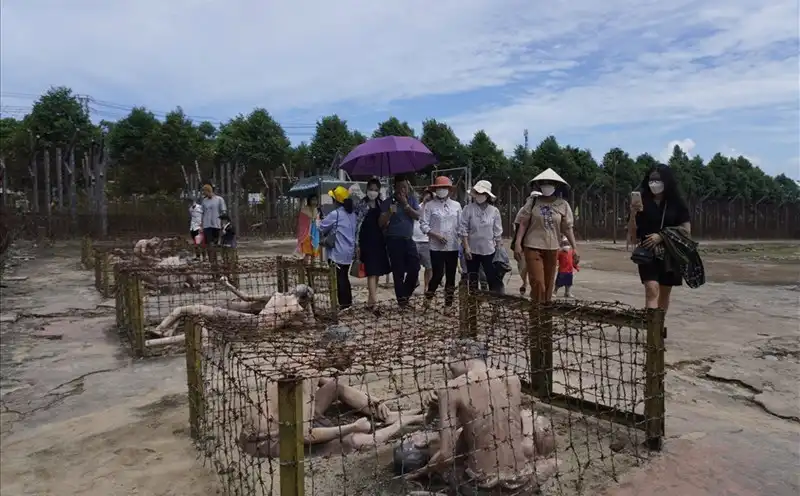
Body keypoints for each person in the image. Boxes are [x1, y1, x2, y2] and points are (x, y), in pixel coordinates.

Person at [238, 326, 425, 458]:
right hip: (269, 440)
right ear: (332, 348)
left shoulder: (309, 359)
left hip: (290, 420)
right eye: (349, 352)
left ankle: (388, 416)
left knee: (336, 386)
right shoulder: (302, 375)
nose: (353, 359)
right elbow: (303, 435)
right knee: (355, 441)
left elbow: (331, 385)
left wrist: (373, 401)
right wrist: (352, 427)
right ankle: (400, 423)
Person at [399, 339, 560, 493]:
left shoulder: (451, 389)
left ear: (462, 355)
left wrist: (423, 471)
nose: (450, 373)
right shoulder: (512, 379)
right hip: (521, 485)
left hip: (481, 489)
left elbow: (446, 455)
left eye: (450, 367)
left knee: (447, 469)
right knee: (553, 462)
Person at [629, 164, 691, 314]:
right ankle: (652, 331)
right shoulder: (643, 201)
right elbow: (632, 235)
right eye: (651, 180)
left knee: (664, 292)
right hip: (647, 253)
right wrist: (632, 213)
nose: (654, 183)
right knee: (651, 289)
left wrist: (661, 236)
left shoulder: (677, 203)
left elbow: (686, 231)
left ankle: (658, 328)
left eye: (658, 180)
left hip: (670, 254)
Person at [513, 168, 578, 304]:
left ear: (556, 186)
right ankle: (536, 316)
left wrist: (575, 248)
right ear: (539, 185)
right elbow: (523, 223)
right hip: (532, 246)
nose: (547, 185)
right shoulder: (533, 202)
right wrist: (518, 244)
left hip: (552, 247)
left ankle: (545, 317)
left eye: (550, 183)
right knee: (538, 282)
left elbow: (567, 228)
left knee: (548, 285)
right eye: (544, 182)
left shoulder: (563, 205)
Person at [379, 176, 421, 309]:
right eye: (401, 187)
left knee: (415, 268)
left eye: (405, 187)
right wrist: (390, 211)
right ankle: (402, 302)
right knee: (398, 272)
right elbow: (381, 223)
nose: (403, 190)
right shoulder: (388, 202)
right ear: (395, 188)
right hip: (393, 239)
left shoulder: (411, 200)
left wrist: (405, 204)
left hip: (408, 239)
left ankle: (405, 296)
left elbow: (417, 216)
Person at [421, 177, 462, 310]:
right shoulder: (429, 205)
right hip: (435, 246)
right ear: (435, 190)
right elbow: (424, 224)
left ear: (449, 190)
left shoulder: (456, 206)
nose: (442, 190)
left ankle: (448, 305)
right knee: (438, 274)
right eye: (439, 188)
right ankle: (428, 296)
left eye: (444, 188)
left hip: (452, 245)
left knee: (451, 276)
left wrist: (464, 241)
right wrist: (435, 234)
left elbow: (461, 225)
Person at [460, 180, 503, 293]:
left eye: (482, 193)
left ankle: (495, 303)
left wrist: (499, 250)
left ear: (487, 195)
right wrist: (466, 247)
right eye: (477, 193)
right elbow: (463, 229)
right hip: (472, 249)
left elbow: (497, 232)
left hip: (489, 250)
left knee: (491, 277)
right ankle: (473, 306)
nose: (479, 196)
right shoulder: (468, 209)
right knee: (473, 279)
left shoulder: (494, 211)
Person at [320, 186, 357, 312]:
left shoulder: (335, 214)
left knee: (338, 279)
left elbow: (322, 227)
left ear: (336, 201)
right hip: (348, 252)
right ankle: (348, 303)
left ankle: (343, 305)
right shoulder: (352, 214)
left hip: (337, 252)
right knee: (344, 277)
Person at [357, 178, 392, 312]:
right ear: (367, 190)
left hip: (379, 240)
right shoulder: (362, 204)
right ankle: (374, 300)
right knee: (371, 271)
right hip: (366, 240)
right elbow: (357, 225)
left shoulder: (381, 204)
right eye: (371, 189)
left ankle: (370, 301)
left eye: (376, 190)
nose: (373, 192)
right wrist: (357, 244)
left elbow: (384, 224)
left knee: (376, 271)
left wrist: (389, 213)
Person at [513, 191, 542, 295]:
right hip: (523, 243)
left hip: (537, 243)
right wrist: (517, 243)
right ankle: (524, 282)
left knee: (534, 267)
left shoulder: (542, 211)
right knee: (523, 266)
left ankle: (533, 288)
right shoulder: (523, 210)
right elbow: (517, 227)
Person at [201, 183, 227, 267]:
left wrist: (223, 224)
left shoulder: (219, 199)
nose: (204, 194)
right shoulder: (204, 201)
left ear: (209, 191)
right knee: (210, 244)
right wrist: (201, 225)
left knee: (215, 244)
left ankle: (215, 261)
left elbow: (223, 211)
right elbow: (202, 213)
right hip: (207, 225)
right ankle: (212, 262)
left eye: (204, 192)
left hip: (216, 225)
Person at [412, 190, 433, 293]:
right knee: (414, 266)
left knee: (429, 267)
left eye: (430, 199)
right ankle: (414, 282)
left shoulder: (433, 209)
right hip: (414, 240)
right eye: (426, 197)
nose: (427, 199)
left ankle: (427, 288)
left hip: (427, 241)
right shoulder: (417, 207)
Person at [297, 195, 321, 264]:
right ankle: (305, 270)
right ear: (309, 200)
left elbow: (318, 221)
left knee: (314, 254)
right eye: (313, 200)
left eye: (316, 200)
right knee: (307, 253)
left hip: (315, 234)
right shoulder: (304, 210)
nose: (314, 202)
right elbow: (301, 222)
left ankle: (312, 270)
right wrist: (310, 220)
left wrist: (316, 220)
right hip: (306, 234)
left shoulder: (317, 210)